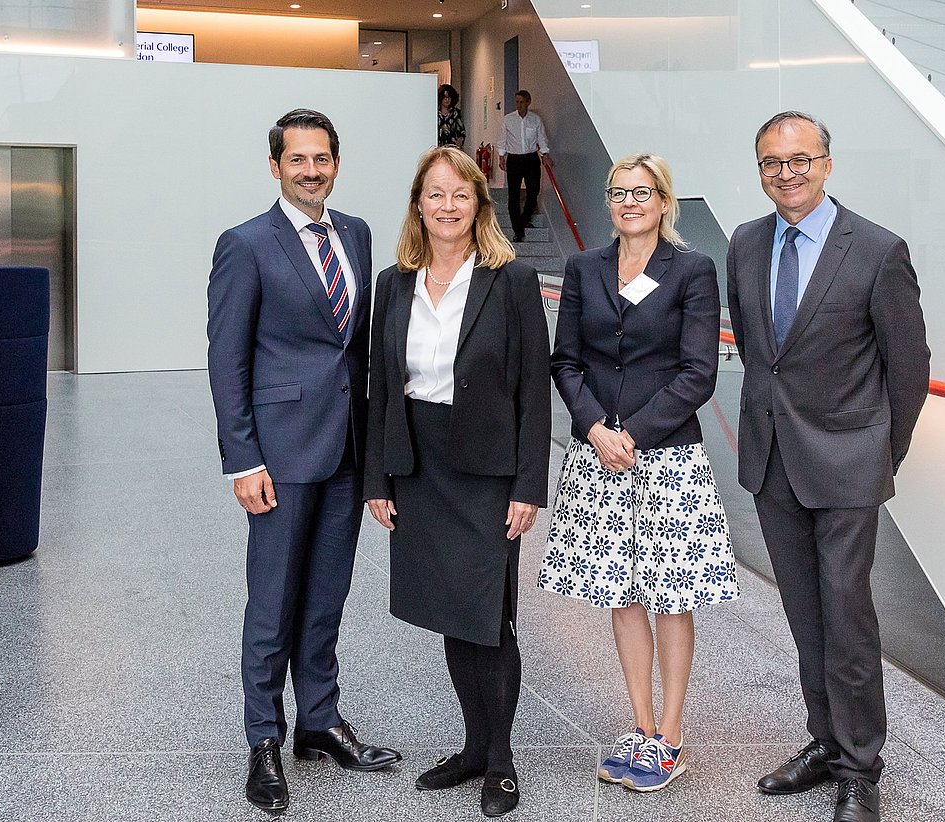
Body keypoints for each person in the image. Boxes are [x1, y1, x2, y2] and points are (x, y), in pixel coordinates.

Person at [724, 112, 930, 822]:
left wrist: (880, 450)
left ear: (827, 163)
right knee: (805, 615)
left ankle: (860, 768)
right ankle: (824, 741)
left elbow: (909, 369)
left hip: (847, 464)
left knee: (847, 617)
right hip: (774, 460)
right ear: (759, 170)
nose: (787, 172)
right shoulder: (746, 243)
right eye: (772, 162)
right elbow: (759, 351)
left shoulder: (875, 250)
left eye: (800, 159)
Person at [206, 108, 401, 815]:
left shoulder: (355, 233)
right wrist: (242, 459)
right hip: (280, 457)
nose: (311, 171)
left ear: (336, 164)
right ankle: (264, 737)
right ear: (276, 166)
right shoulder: (246, 245)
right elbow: (226, 361)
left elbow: (356, 352)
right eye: (298, 160)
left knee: (325, 597)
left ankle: (320, 721)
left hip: (346, 449)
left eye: (322, 159)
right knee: (273, 602)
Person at [538, 153, 739, 793]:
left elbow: (697, 372)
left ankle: (671, 738)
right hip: (599, 456)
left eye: (642, 192)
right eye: (618, 192)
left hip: (667, 459)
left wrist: (635, 434)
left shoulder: (693, 271)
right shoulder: (583, 268)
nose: (629, 202)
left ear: (663, 201)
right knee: (621, 597)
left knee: (673, 599)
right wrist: (596, 428)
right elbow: (565, 360)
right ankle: (641, 725)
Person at [363, 145, 551, 818]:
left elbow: (535, 391)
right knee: (450, 612)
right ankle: (473, 747)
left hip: (488, 471)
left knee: (489, 620)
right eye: (435, 194)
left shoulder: (512, 280)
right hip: (420, 465)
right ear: (419, 203)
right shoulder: (395, 281)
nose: (447, 206)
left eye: (460, 195)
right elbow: (381, 387)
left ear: (479, 205)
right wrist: (377, 479)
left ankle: (500, 763)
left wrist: (529, 486)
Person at [496, 90, 550, 243]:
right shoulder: (508, 120)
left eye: (522, 102)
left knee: (534, 191)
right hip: (514, 158)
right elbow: (503, 139)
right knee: (513, 195)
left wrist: (545, 154)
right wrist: (501, 156)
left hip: (531, 158)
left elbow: (541, 138)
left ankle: (524, 219)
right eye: (517, 102)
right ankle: (518, 231)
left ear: (528, 102)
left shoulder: (535, 120)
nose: (519, 105)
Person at [437, 83, 466, 150]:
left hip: (452, 148)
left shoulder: (456, 113)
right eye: (444, 97)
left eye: (449, 97)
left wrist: (460, 141)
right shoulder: (435, 113)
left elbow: (461, 130)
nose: (447, 100)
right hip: (437, 146)